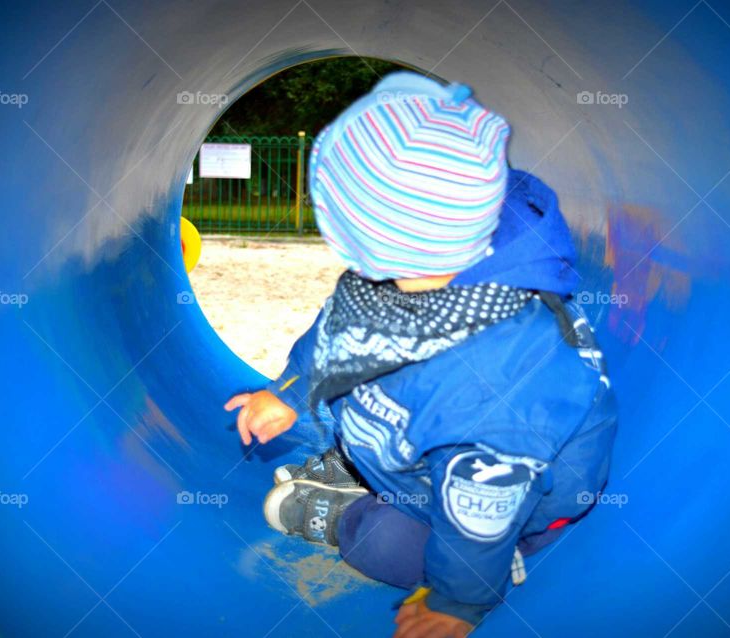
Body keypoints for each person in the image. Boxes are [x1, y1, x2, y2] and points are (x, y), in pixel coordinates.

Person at [225, 71, 617, 638]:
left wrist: (458, 602)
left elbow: (482, 510)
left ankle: (347, 515)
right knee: (369, 397)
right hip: (429, 450)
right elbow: (336, 333)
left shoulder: (493, 377)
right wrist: (289, 390)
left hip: (510, 507)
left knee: (382, 544)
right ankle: (369, 468)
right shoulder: (396, 274)